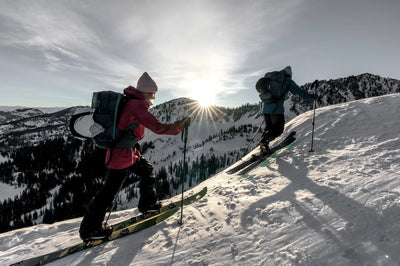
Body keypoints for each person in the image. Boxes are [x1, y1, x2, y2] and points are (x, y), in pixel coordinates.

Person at [79, 72, 190, 241]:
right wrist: (180, 126)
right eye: (152, 94)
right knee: (108, 192)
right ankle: (90, 230)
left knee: (146, 170)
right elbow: (158, 127)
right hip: (121, 156)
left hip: (128, 153)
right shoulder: (136, 106)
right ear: (146, 92)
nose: (153, 98)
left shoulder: (130, 102)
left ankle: (148, 205)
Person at [256, 66, 317, 153]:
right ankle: (264, 142)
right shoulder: (287, 81)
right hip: (276, 109)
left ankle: (263, 146)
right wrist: (311, 97)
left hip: (265, 107)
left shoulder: (271, 78)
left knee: (268, 128)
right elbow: (298, 92)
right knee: (278, 130)